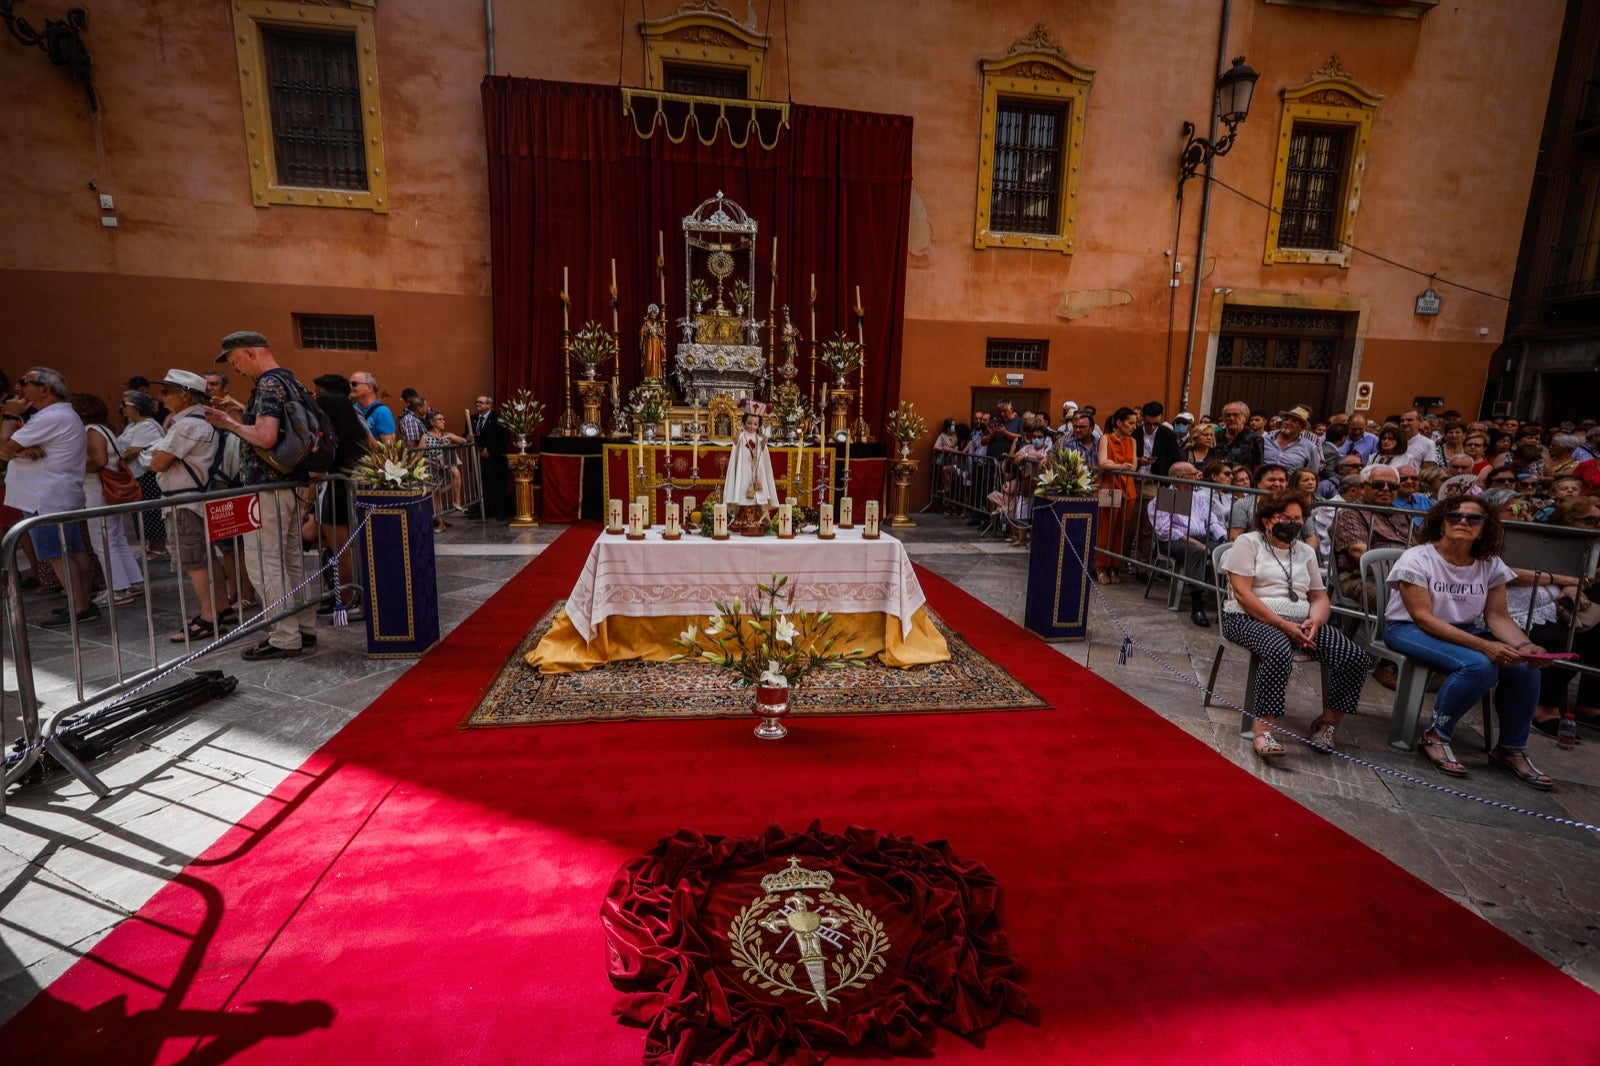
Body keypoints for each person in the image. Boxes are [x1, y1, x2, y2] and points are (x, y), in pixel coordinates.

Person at [1383, 498, 1553, 789]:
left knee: (1525, 668)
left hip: (1463, 628)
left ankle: (1510, 748)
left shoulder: (1490, 564)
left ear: (1486, 528)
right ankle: (1435, 736)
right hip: (1408, 628)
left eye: (1473, 519)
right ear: (1441, 521)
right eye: (1455, 516)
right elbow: (1423, 618)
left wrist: (1525, 647)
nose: (1463, 522)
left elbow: (1497, 616)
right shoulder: (1417, 558)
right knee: (1479, 665)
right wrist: (1484, 646)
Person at [1222, 491, 1371, 758]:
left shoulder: (1305, 552)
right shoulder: (1248, 543)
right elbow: (1243, 594)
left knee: (1354, 657)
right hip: (1248, 617)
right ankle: (1264, 730)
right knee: (1278, 650)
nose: (1292, 523)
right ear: (1267, 521)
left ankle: (1327, 724)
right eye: (1284, 517)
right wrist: (1282, 625)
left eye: (1298, 518)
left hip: (1300, 621)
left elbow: (1318, 596)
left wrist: (1316, 620)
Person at [205, 331, 319, 661]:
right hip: (290, 485)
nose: (234, 368)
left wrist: (229, 423)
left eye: (233, 359)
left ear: (251, 353)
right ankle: (304, 627)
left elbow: (266, 438)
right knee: (291, 559)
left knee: (265, 563)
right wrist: (242, 414)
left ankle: (284, 636)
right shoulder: (289, 380)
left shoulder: (268, 384)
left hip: (268, 488)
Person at [0, 368, 97, 627]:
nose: (19, 388)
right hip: (59, 493)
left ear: (44, 389)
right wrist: (20, 451)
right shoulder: (62, 414)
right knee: (74, 550)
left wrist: (10, 414)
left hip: (45, 497)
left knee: (59, 554)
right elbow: (12, 449)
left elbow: (3, 448)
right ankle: (84, 602)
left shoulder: (51, 417)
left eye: (25, 382)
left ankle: (79, 608)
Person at [149, 369, 233, 643]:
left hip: (185, 501)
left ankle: (209, 617)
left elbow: (157, 462)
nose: (162, 398)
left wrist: (158, 452)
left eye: (167, 392)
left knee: (195, 560)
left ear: (184, 395)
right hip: (192, 498)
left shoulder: (187, 426)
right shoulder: (195, 421)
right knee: (206, 557)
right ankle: (221, 608)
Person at [72, 393, 145, 606]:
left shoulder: (91, 430)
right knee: (116, 537)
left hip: (98, 490)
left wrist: (73, 467)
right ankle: (133, 581)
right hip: (110, 490)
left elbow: (99, 461)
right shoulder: (106, 429)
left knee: (103, 542)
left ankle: (118, 589)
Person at [311, 373, 372, 615]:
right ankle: (344, 591)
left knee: (340, 547)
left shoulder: (330, 434)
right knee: (332, 541)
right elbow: (373, 444)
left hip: (334, 486)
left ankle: (346, 596)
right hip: (342, 484)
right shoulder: (354, 425)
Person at [1149, 461, 1226, 626]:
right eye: (1194, 474)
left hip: (1200, 537)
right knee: (1196, 552)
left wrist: (1222, 537)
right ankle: (1197, 607)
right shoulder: (1167, 497)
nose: (1198, 476)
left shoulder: (1197, 497)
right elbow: (1164, 530)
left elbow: (1211, 520)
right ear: (1182, 477)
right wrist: (1196, 544)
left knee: (1225, 551)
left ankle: (1224, 605)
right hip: (1174, 541)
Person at [117, 390, 168, 556]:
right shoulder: (133, 425)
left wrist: (115, 462)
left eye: (125, 404)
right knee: (143, 513)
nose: (121, 407)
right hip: (137, 475)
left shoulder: (147, 426)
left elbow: (132, 451)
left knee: (152, 512)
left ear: (137, 408)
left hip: (147, 476)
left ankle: (158, 547)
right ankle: (153, 546)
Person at [1094, 406, 1139, 583]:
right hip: (1109, 487)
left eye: (1135, 423)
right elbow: (1102, 462)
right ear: (1119, 423)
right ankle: (1100, 565)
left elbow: (1134, 466)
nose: (1134, 427)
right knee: (1106, 527)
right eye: (1130, 423)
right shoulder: (1106, 438)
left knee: (1121, 530)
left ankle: (1114, 566)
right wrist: (1120, 466)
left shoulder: (1132, 441)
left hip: (1128, 488)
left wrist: (1115, 464)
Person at [723, 399, 778, 519]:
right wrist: (737, 432)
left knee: (758, 491)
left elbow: (763, 452)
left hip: (757, 471)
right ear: (744, 423)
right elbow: (735, 443)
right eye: (749, 423)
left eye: (755, 424)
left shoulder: (758, 438)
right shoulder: (742, 437)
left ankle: (757, 513)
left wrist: (764, 443)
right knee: (742, 488)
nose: (752, 426)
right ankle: (741, 512)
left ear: (758, 425)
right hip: (744, 469)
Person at [423, 410, 469, 529]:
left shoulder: (446, 435)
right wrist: (432, 463)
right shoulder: (425, 436)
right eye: (440, 419)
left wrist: (451, 436)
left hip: (447, 464)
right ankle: (441, 523)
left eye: (444, 419)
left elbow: (464, 441)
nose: (443, 421)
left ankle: (457, 501)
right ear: (432, 422)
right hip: (432, 467)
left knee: (455, 471)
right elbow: (419, 456)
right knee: (435, 495)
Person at [470, 393, 511, 520]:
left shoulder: (498, 419)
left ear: (489, 405)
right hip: (478, 458)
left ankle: (501, 511)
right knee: (481, 485)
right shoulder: (472, 419)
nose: (478, 404)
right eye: (477, 402)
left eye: (481, 402)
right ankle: (484, 510)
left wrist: (491, 450)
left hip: (494, 459)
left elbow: (504, 438)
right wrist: (468, 438)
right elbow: (467, 434)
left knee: (497, 486)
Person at [1262, 405, 1321, 473]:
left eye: (1294, 421)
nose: (1287, 423)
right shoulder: (1265, 440)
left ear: (1301, 427)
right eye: (1286, 419)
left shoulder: (1310, 448)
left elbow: (1312, 474)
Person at [350, 372, 397, 444]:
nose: (350, 387)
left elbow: (389, 449)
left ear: (369, 387)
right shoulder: (351, 409)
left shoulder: (382, 412)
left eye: (354, 384)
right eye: (349, 384)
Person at [1217, 400, 1263, 470]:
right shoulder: (1216, 436)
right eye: (1228, 415)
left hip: (1241, 479)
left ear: (1244, 417)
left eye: (1235, 415)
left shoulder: (1255, 439)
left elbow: (1258, 467)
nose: (1231, 418)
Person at [640, 303, 667, 380]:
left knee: (656, 359)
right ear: (650, 313)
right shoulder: (646, 323)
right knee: (649, 359)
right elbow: (642, 333)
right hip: (649, 343)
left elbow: (662, 334)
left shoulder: (658, 324)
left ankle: (657, 376)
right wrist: (645, 331)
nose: (654, 315)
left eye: (655, 313)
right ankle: (648, 377)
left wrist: (661, 334)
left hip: (657, 344)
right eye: (652, 313)